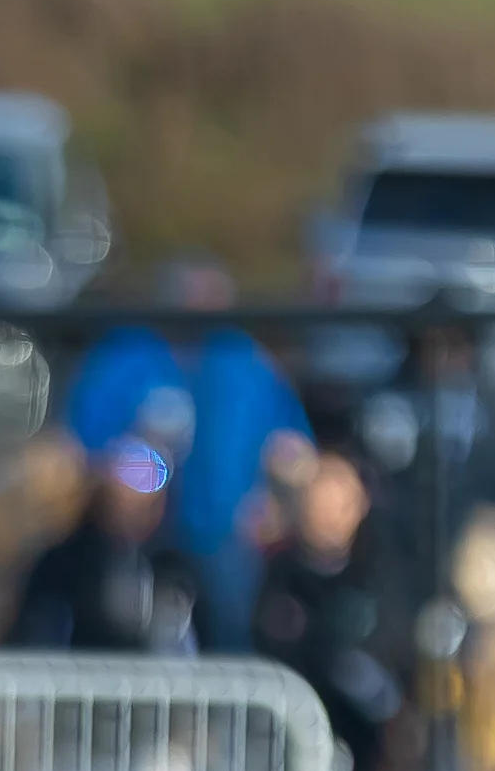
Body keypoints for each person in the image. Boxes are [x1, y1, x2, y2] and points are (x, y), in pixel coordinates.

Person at [63, 256, 311, 647]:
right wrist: (128, 478)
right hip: (134, 539)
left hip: (228, 536)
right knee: (115, 618)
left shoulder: (247, 363)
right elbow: (83, 447)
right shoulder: (124, 355)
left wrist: (276, 499)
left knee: (233, 620)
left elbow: (292, 448)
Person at [252, 449, 402, 771]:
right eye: (323, 498)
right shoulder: (282, 577)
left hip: (359, 750)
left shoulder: (377, 577)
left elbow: (389, 659)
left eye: (343, 500)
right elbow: (279, 649)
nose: (332, 512)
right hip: (289, 755)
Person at [8, 433, 197, 653]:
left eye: (147, 506)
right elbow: (39, 635)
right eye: (123, 502)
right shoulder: (63, 564)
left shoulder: (175, 569)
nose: (134, 514)